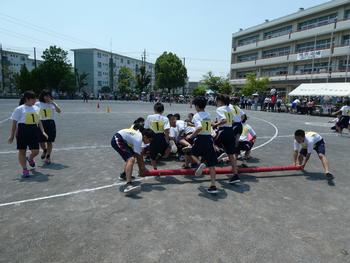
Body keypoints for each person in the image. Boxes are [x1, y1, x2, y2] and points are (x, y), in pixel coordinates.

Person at [7, 91, 48, 178]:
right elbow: (14, 123)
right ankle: (25, 169)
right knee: (22, 151)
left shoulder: (36, 108)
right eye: (33, 99)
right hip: (22, 131)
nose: (35, 100)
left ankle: (30, 158)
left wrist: (43, 131)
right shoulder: (19, 109)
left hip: (34, 130)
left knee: (36, 151)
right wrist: (11, 135)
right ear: (27, 99)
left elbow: (39, 121)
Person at [187, 96, 218, 193]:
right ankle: (213, 186)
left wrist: (191, 136)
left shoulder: (196, 115)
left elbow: (199, 127)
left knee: (191, 152)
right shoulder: (208, 114)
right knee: (212, 165)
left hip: (201, 138)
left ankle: (200, 163)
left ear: (197, 106)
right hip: (209, 139)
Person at [111, 125, 155, 193]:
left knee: (132, 157)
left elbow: (139, 156)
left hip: (123, 141)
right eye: (150, 140)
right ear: (145, 137)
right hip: (117, 139)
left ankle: (124, 175)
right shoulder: (138, 139)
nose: (149, 142)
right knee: (131, 159)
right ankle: (128, 185)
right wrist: (142, 170)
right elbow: (139, 157)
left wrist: (143, 168)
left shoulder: (140, 137)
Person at [213, 94, 241, 184]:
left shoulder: (219, 109)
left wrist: (216, 125)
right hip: (230, 131)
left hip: (223, 131)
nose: (216, 102)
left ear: (220, 101)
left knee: (211, 144)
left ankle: (206, 163)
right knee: (231, 155)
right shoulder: (229, 109)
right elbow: (232, 121)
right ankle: (235, 175)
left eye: (217, 100)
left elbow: (224, 120)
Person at [35, 90, 61, 164]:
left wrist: (53, 103)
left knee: (49, 141)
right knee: (41, 141)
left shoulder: (52, 104)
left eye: (49, 96)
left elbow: (59, 111)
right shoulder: (38, 104)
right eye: (46, 96)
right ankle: (44, 150)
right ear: (42, 96)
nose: (47, 97)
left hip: (50, 123)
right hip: (41, 123)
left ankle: (48, 156)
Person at [144, 102, 171, 169]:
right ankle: (161, 155)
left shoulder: (149, 117)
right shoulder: (165, 118)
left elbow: (146, 128)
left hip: (152, 137)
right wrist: (167, 141)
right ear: (163, 110)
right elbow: (166, 130)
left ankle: (155, 168)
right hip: (161, 137)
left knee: (152, 155)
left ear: (154, 109)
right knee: (167, 148)